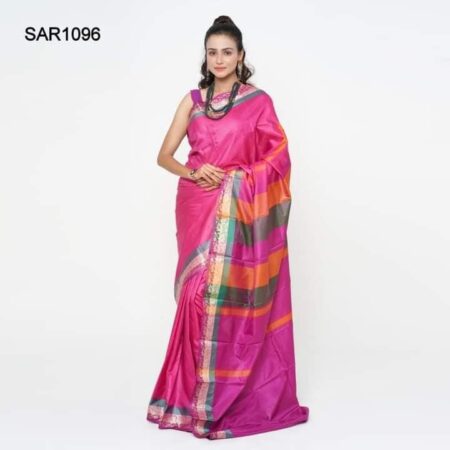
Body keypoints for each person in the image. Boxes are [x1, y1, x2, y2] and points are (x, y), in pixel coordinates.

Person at [146, 15, 309, 440]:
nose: (219, 59)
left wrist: (238, 179)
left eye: (227, 52)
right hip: (197, 204)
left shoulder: (259, 102)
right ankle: (187, 397)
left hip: (239, 206)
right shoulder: (192, 101)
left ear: (240, 56)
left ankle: (227, 396)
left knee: (226, 296)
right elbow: (164, 156)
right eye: (212, 52)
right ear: (206, 57)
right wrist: (193, 172)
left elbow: (278, 158)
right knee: (195, 296)